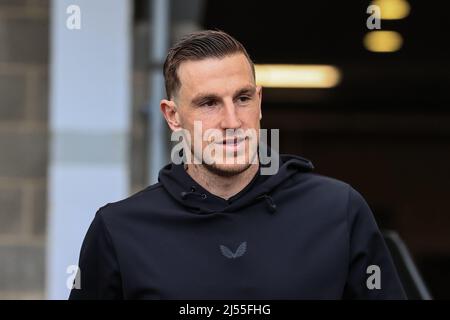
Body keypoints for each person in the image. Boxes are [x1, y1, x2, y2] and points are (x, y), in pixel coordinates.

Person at [69, 30, 406, 299]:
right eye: (209, 103)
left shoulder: (337, 210)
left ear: (259, 102)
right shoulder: (119, 230)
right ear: (172, 116)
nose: (232, 121)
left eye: (242, 98)